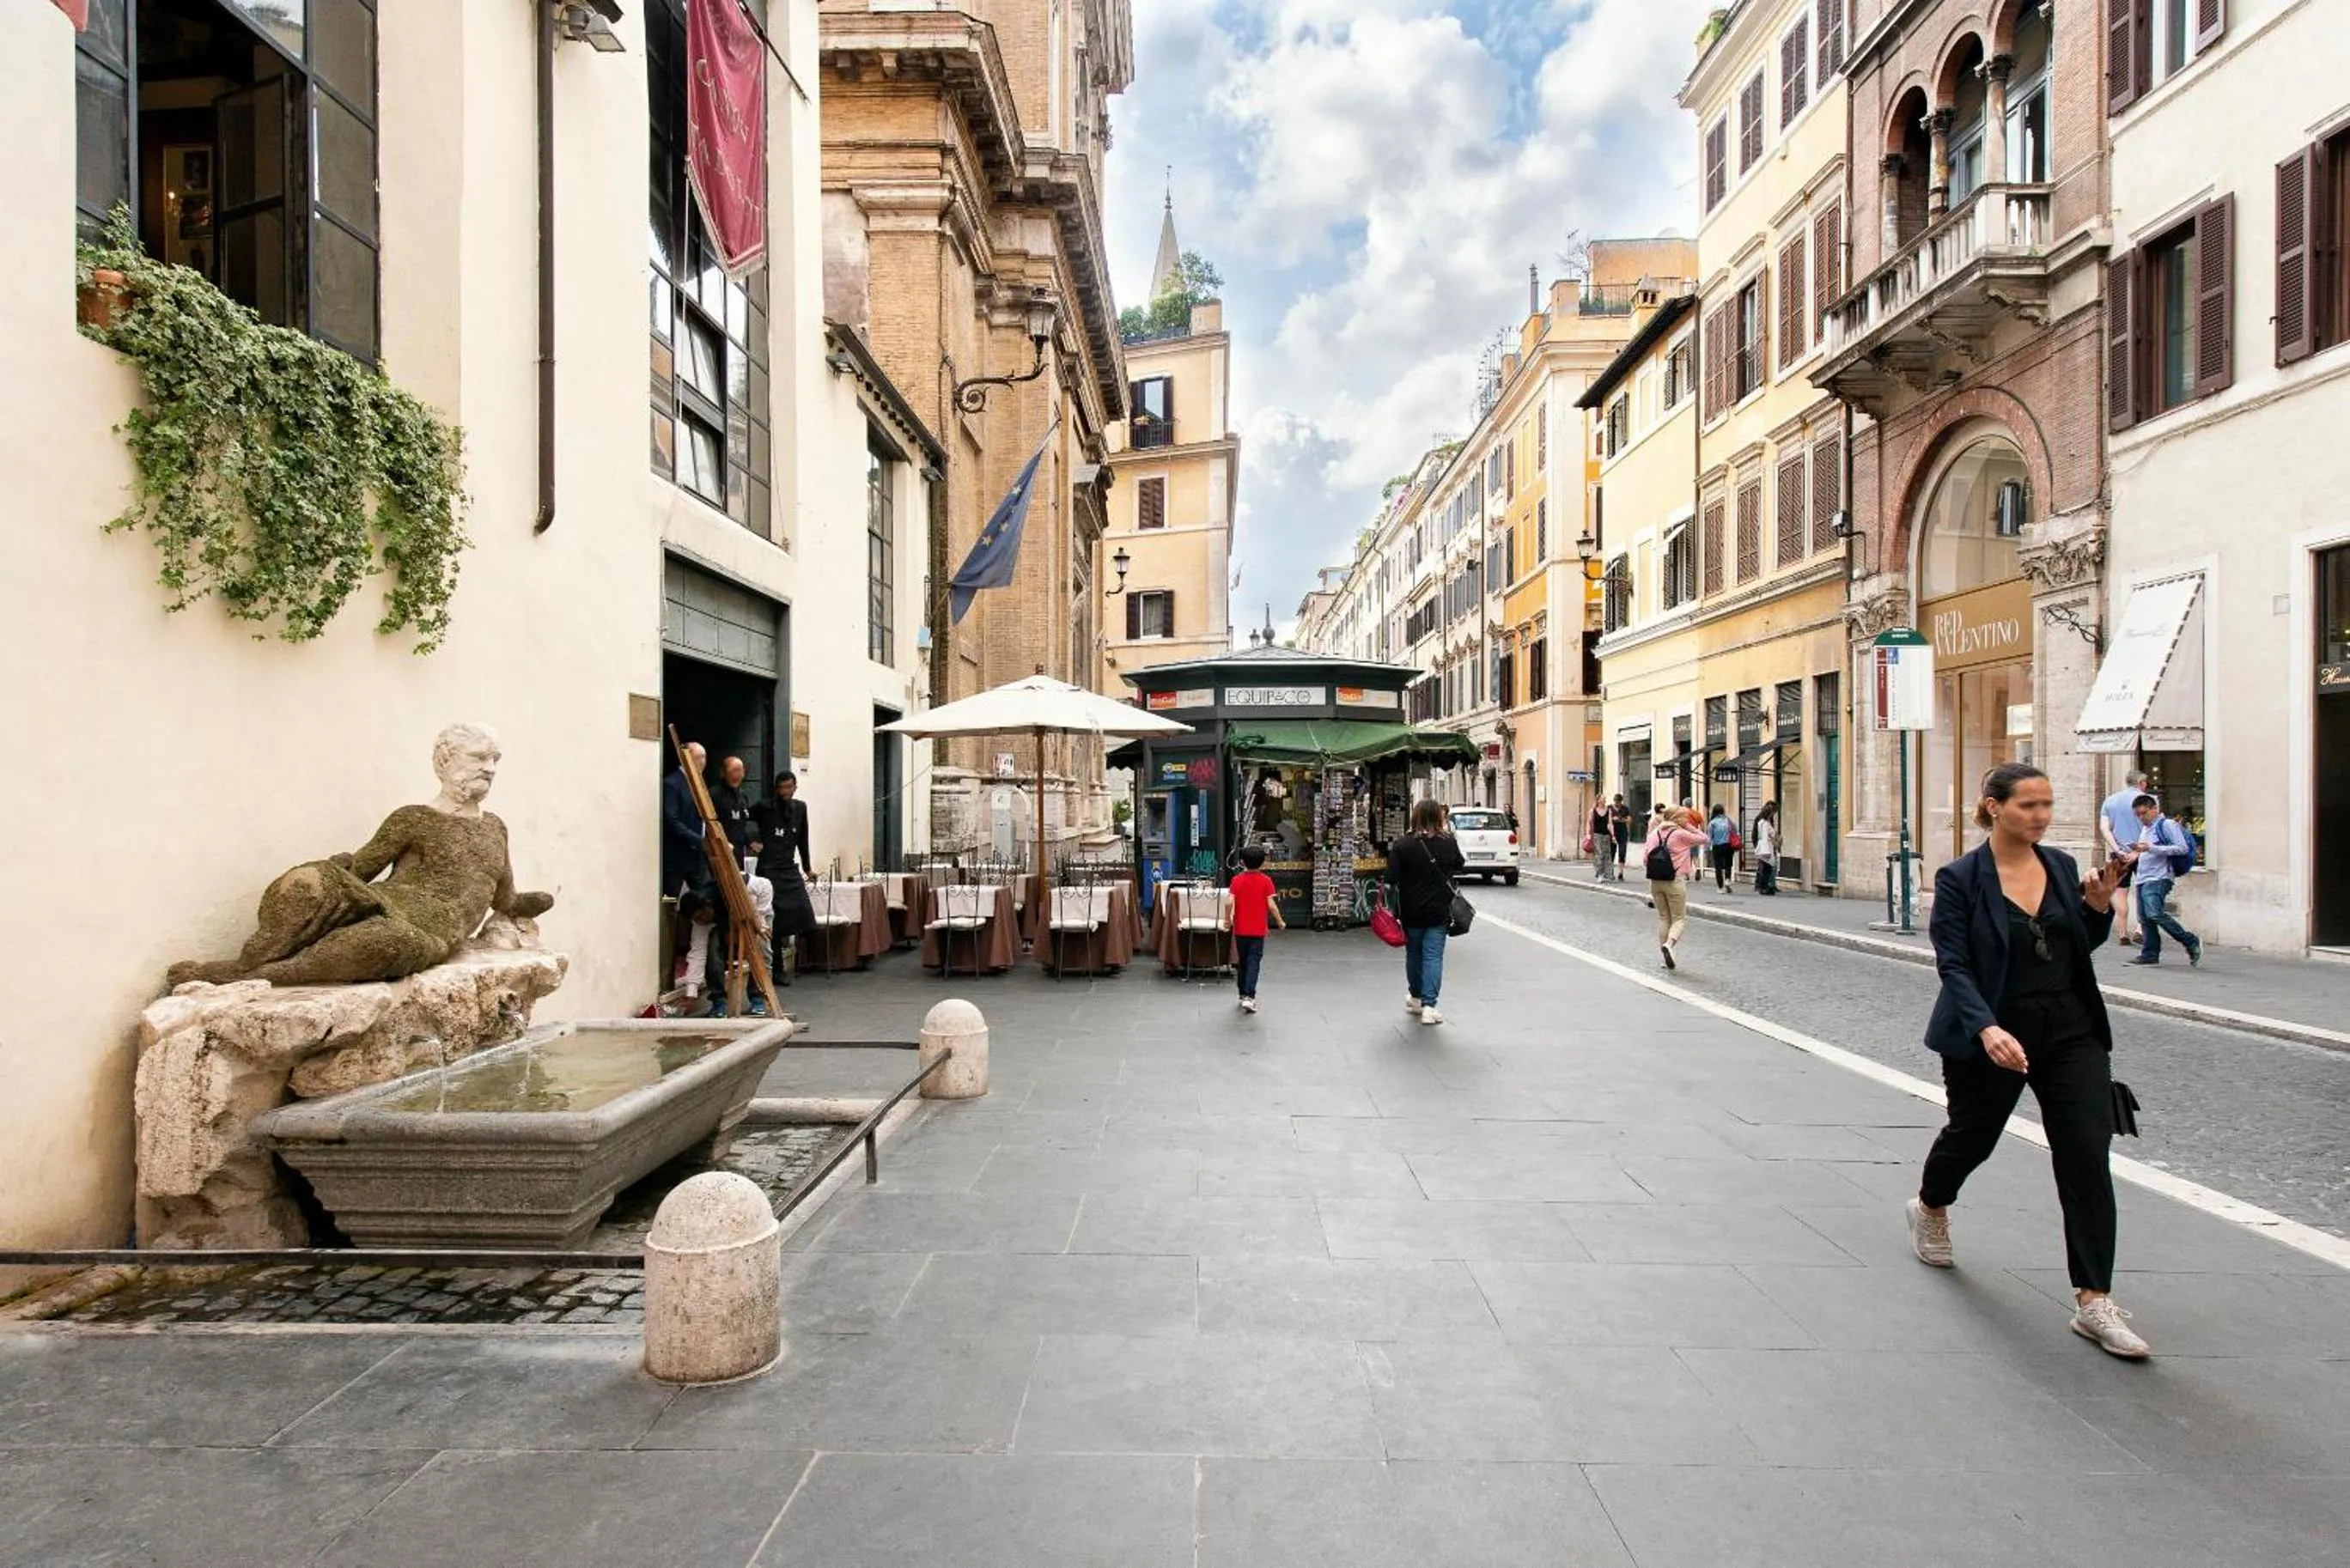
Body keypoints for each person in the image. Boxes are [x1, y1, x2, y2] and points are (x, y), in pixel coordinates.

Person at [1907, 762, 2148, 1359]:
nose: (2042, 816)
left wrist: (2097, 909)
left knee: (2086, 1152)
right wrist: (1986, 1027)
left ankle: (2094, 1300)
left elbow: (2074, 946)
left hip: (2070, 1029)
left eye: (2047, 805)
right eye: (2028, 805)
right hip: (1992, 1029)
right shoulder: (1961, 879)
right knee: (1974, 1135)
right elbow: (1954, 963)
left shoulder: (2061, 867)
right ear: (1994, 807)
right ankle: (1931, 1204)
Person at [1385, 798, 1466, 1026]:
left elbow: (1391, 878)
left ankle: (1416, 998)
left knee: (1413, 954)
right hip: (1439, 909)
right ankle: (1430, 1007)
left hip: (1410, 910)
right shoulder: (1448, 842)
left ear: (1415, 816)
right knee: (1433, 957)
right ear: (1438, 818)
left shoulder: (1403, 844)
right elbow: (1460, 865)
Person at [752, 770, 816, 984]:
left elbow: (803, 839)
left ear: (795, 787)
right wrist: (750, 840)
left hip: (789, 868)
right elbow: (740, 819)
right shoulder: (765, 807)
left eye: (789, 787)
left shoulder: (800, 808)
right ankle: (776, 969)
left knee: (805, 914)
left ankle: (808, 960)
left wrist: (807, 868)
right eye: (781, 788)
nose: (785, 792)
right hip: (769, 870)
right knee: (775, 921)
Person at [2126, 793, 2202, 968]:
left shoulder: (2167, 825)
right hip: (2143, 877)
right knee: (2145, 918)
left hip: (2159, 877)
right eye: (2137, 814)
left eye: (2144, 813)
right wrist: (2133, 855)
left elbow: (2181, 848)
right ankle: (2150, 954)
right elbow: (2145, 851)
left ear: (2154, 809)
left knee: (2154, 913)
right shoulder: (2146, 829)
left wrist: (2151, 848)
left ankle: (2190, 940)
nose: (2141, 817)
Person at [1643, 807, 1708, 969]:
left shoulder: (1653, 834)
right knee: (1679, 918)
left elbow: (1645, 859)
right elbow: (1704, 838)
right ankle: (1669, 945)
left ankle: (1663, 959)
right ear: (1677, 818)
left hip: (1655, 881)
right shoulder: (1680, 834)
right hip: (1675, 881)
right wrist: (1689, 826)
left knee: (1663, 918)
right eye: (1684, 818)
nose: (1686, 820)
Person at [1228, 844, 1285, 1015]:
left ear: (1243, 862)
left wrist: (1227, 919)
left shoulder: (1237, 880)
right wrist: (1280, 921)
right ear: (1263, 862)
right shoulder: (1266, 881)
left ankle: (1242, 992)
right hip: (1258, 930)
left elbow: (1229, 902)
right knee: (1254, 962)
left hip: (1240, 929)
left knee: (1243, 961)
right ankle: (1249, 996)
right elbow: (1271, 905)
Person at [2097, 769, 2151, 947]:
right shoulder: (2149, 801)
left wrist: (2118, 849)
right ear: (2141, 783)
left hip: (2119, 854)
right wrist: (2136, 852)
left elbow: (2104, 829)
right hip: (2143, 853)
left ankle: (2122, 933)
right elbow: (2151, 829)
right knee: (2144, 891)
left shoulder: (2110, 801)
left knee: (2120, 892)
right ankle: (2140, 929)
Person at [1706, 803, 1737, 892]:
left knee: (1718, 866)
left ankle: (1720, 887)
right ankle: (1727, 880)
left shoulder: (1712, 823)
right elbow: (1736, 830)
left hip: (1717, 846)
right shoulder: (1728, 820)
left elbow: (1709, 837)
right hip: (1729, 845)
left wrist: (1707, 848)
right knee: (1728, 864)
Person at [1752, 801, 1781, 896]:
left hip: (1765, 848)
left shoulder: (1762, 822)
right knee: (1767, 869)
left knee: (1765, 869)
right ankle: (1764, 887)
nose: (1774, 815)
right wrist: (1768, 849)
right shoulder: (1765, 824)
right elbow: (1766, 837)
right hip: (1766, 849)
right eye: (1773, 812)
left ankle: (1764, 887)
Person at [1588, 799, 1614, 880]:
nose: (1604, 800)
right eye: (1603, 799)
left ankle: (1607, 873)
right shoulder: (1593, 810)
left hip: (1606, 835)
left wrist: (1613, 835)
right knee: (1599, 854)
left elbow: (1610, 823)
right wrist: (1588, 834)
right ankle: (1600, 874)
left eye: (1605, 799)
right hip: (1597, 835)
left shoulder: (1608, 810)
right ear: (1598, 800)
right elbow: (1589, 822)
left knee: (1607, 854)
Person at [1607, 795, 1631, 882]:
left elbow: (1629, 820)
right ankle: (1610, 872)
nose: (1617, 803)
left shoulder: (1625, 809)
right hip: (1612, 833)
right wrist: (1613, 819)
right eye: (1615, 801)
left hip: (1623, 833)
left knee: (1622, 852)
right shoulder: (1609, 808)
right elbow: (1607, 820)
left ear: (1621, 801)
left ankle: (1621, 873)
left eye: (1618, 801)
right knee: (1612, 852)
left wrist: (1621, 819)